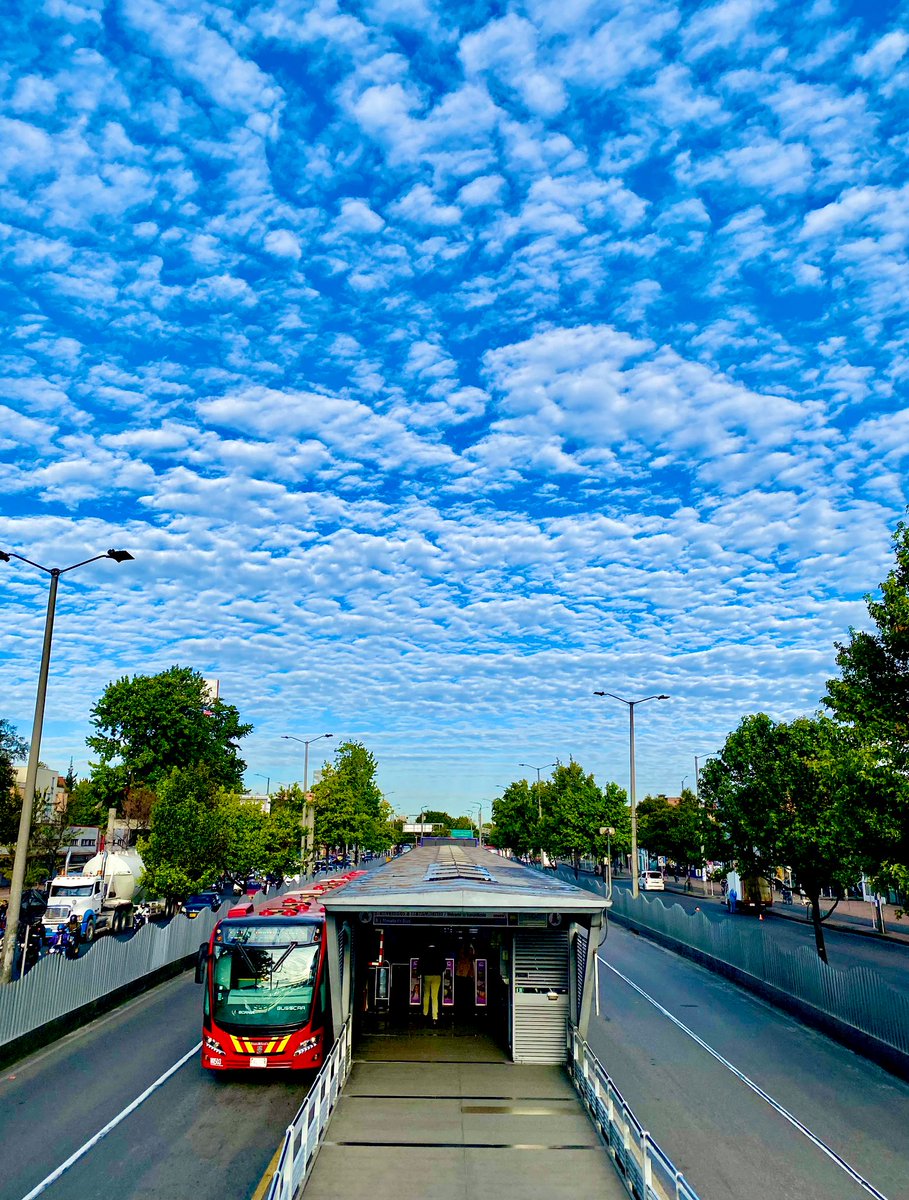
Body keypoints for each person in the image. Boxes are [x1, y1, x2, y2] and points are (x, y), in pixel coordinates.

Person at [419, 942, 446, 1023]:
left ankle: (425, 1014)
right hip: (437, 976)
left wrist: (421, 972)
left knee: (426, 995)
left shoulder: (425, 953)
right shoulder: (439, 953)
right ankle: (435, 1017)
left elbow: (420, 964)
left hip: (427, 976)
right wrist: (439, 971)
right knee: (435, 997)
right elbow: (444, 965)